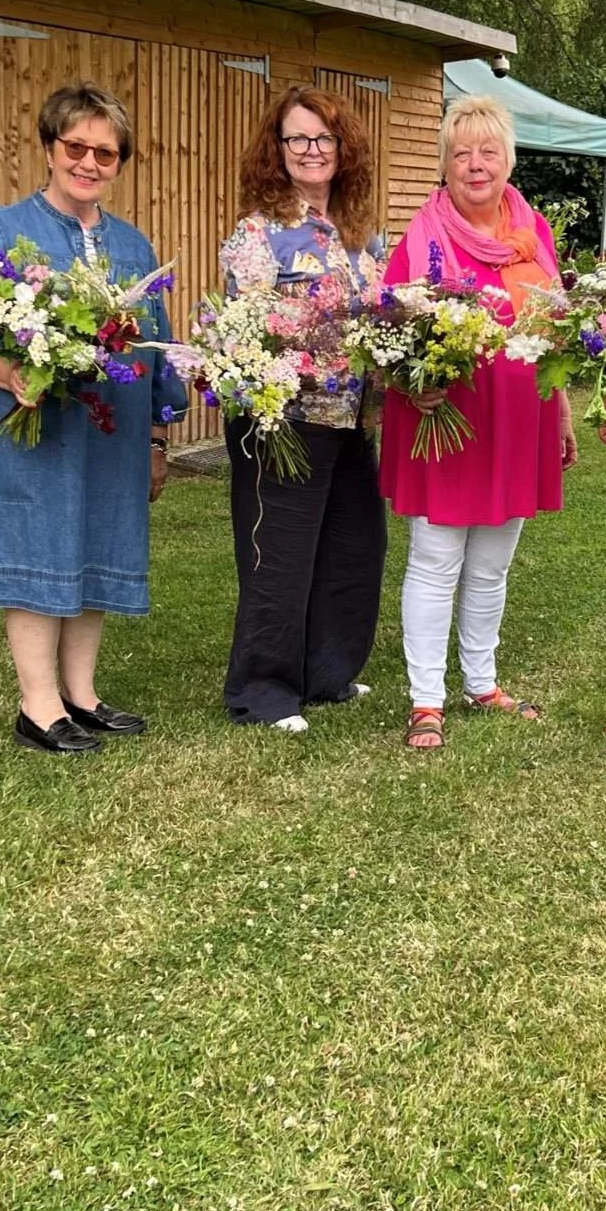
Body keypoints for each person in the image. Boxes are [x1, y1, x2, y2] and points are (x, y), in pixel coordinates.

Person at [0, 82, 187, 754]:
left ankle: (81, 694)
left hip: (113, 430)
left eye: (105, 154)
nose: (88, 163)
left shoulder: (134, 249)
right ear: (50, 147)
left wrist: (158, 438)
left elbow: (157, 346)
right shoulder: (0, 232)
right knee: (37, 543)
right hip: (37, 430)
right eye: (76, 146)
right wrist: (11, 372)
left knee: (97, 542)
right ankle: (37, 706)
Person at [380, 94, 577, 751]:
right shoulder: (420, 237)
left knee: (492, 564)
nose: (474, 164)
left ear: (507, 159)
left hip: (520, 419)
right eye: (460, 153)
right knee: (436, 558)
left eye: (486, 151)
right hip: (445, 421)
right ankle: (425, 699)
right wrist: (417, 382)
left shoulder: (533, 231)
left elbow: (555, 327)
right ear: (443, 164)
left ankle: (482, 683)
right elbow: (386, 336)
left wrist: (563, 411)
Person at [219, 83, 386, 733]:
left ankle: (328, 672)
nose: (312, 150)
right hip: (285, 419)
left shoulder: (358, 236)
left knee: (351, 548)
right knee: (279, 556)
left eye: (324, 138)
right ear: (278, 149)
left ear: (343, 150)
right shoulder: (258, 235)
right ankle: (262, 691)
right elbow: (245, 328)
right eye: (298, 138)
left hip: (350, 419)